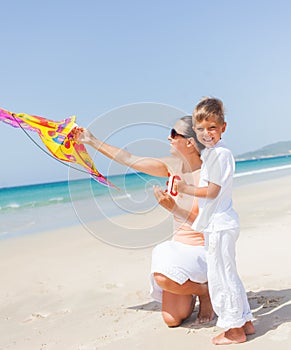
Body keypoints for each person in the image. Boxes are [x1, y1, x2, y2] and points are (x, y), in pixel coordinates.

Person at [71, 116, 214, 327]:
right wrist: (91, 140)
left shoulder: (209, 174)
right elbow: (129, 158)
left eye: (174, 134)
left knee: (162, 278)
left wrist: (174, 208)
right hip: (180, 248)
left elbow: (210, 224)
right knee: (172, 319)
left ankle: (205, 291)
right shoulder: (172, 166)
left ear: (190, 142)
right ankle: (199, 287)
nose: (169, 137)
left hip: (203, 250)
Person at [175, 98, 255, 344]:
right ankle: (245, 321)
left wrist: (185, 188)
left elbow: (212, 191)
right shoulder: (212, 154)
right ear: (195, 131)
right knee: (227, 272)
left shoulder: (219, 155)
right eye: (200, 129)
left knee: (222, 276)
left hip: (221, 224)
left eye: (212, 128)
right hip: (218, 223)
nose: (206, 133)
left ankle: (234, 330)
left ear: (223, 128)